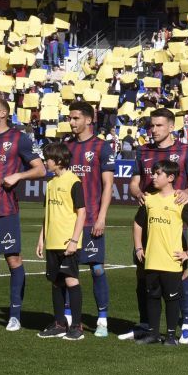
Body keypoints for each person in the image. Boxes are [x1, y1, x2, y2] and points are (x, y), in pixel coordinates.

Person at [123, 108, 188, 343]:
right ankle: (147, 324)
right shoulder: (143, 151)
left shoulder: (185, 151)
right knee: (142, 273)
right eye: (151, 126)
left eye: (158, 125)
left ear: (170, 127)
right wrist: (138, 193)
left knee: (182, 273)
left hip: (171, 221)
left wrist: (186, 192)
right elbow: (134, 183)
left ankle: (186, 324)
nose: (153, 130)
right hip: (148, 216)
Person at [0, 96, 47, 331]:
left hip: (6, 209)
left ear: (3, 114)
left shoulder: (20, 138)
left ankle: (15, 315)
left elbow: (40, 169)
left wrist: (18, 176)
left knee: (13, 260)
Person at [132, 160, 188, 346]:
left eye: (158, 174)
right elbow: (138, 223)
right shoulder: (149, 199)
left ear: (170, 177)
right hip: (151, 259)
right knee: (153, 298)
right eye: (153, 173)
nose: (153, 177)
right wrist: (139, 246)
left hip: (172, 261)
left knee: (171, 300)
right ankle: (154, 334)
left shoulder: (180, 200)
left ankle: (171, 336)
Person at [64, 101, 115, 337]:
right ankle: (69, 317)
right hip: (67, 220)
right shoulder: (66, 147)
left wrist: (102, 217)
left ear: (88, 120)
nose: (71, 122)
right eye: (70, 118)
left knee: (96, 269)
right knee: (67, 270)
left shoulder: (102, 147)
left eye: (75, 118)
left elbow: (107, 185)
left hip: (92, 217)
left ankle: (102, 319)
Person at [35, 143, 87, 341]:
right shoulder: (50, 184)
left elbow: (82, 213)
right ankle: (59, 323)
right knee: (56, 282)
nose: (45, 162)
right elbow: (47, 214)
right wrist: (42, 239)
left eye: (47, 159)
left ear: (57, 161)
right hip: (52, 242)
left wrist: (74, 240)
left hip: (68, 242)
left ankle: (76, 325)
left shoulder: (74, 182)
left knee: (71, 280)